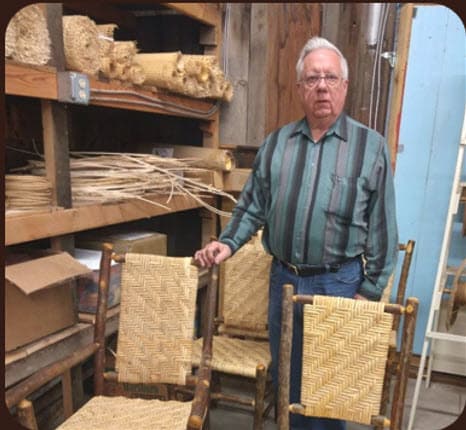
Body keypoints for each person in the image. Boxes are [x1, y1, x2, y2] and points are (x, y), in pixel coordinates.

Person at [194, 36, 398, 430]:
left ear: (344, 86)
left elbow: (383, 228)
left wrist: (368, 292)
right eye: (313, 78)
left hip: (340, 284)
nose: (322, 86)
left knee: (327, 390)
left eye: (330, 78)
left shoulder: (370, 148)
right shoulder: (277, 144)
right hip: (284, 281)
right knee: (286, 381)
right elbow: (253, 204)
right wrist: (227, 242)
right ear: (301, 88)